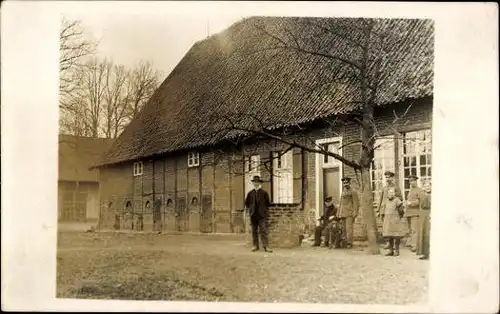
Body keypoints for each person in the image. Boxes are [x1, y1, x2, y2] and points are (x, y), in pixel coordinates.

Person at [244, 175, 272, 253]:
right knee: (254, 231)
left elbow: (267, 203)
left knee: (263, 230)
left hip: (261, 215)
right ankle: (255, 246)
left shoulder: (264, 193)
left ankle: (266, 246)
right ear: (253, 183)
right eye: (255, 182)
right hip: (253, 215)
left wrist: (264, 212)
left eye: (257, 182)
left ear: (260, 183)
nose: (256, 183)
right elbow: (247, 203)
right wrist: (250, 210)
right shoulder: (250, 193)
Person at [376, 171, 403, 249]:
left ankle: (393, 244)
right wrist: (378, 210)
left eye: (389, 177)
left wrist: (394, 199)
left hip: (392, 210)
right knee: (385, 227)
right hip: (383, 210)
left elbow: (400, 198)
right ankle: (387, 242)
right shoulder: (384, 187)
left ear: (392, 178)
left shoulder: (396, 187)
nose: (388, 179)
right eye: (386, 177)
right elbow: (380, 199)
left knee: (392, 227)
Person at [381, 187, 406, 256]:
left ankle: (397, 250)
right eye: (390, 193)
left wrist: (398, 217)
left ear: (395, 193)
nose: (391, 194)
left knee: (396, 236)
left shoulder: (397, 200)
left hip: (395, 220)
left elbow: (401, 211)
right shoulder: (386, 201)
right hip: (388, 220)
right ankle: (391, 250)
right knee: (389, 236)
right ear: (387, 194)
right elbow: (383, 209)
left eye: (392, 193)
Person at [337, 177, 359, 249]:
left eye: (346, 183)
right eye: (344, 183)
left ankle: (349, 243)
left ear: (349, 183)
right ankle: (344, 242)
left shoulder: (353, 191)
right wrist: (338, 212)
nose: (345, 184)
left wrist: (355, 213)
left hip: (349, 213)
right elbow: (340, 203)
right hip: (342, 213)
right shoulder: (343, 192)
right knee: (343, 229)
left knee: (349, 229)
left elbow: (356, 203)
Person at [404, 175, 422, 252]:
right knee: (410, 229)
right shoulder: (411, 190)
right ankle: (411, 243)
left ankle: (415, 245)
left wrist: (411, 203)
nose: (411, 182)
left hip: (415, 213)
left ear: (416, 181)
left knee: (415, 230)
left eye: (413, 181)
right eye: (410, 181)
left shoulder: (419, 190)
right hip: (409, 213)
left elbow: (420, 201)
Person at [416, 181, 431, 260]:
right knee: (423, 233)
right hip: (423, 215)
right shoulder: (421, 194)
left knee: (429, 234)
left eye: (428, 186)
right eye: (425, 186)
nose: (427, 187)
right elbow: (418, 203)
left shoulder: (434, 194)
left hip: (430, 214)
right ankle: (425, 253)